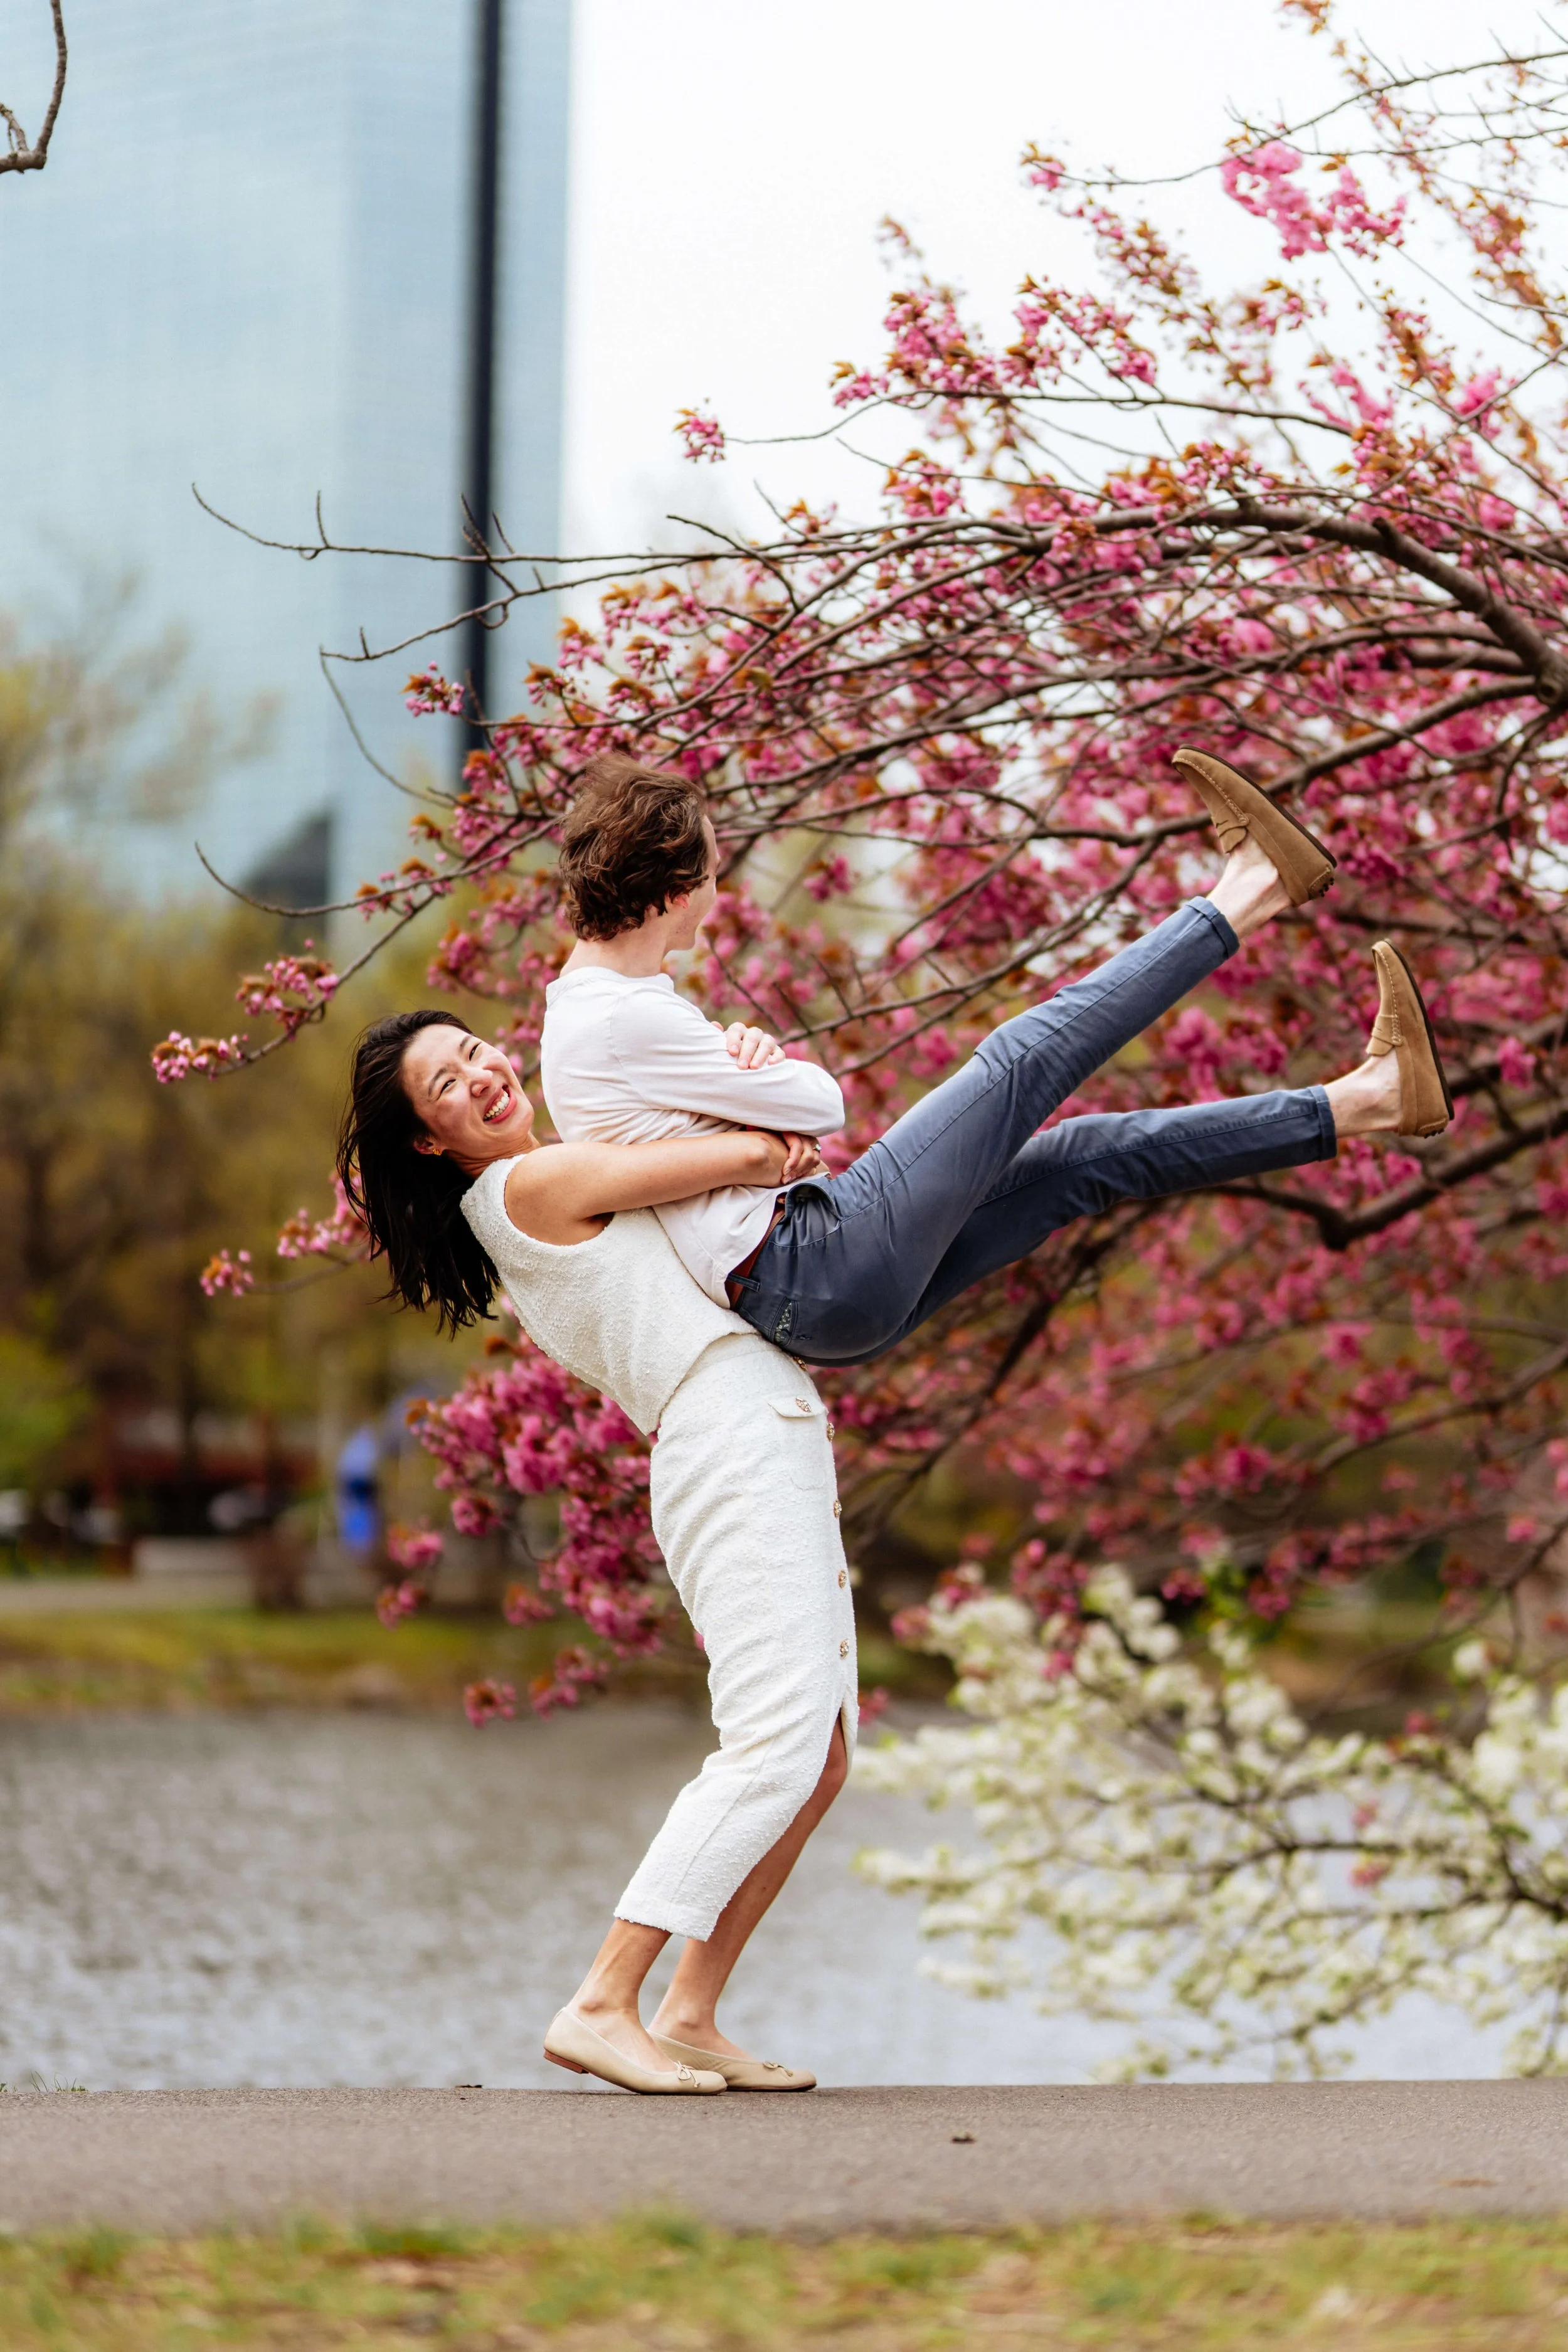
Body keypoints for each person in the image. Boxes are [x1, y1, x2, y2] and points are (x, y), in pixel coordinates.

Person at [339, 750, 1450, 2097]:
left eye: (472, 1052)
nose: (484, 1077)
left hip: (760, 1396)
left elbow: (697, 1148)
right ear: (428, 1144)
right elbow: (756, 1153)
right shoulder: (534, 1186)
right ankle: (602, 1996)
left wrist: (731, 1084)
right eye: (451, 1089)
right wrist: (754, 1127)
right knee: (777, 1741)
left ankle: (1358, 1105)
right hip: (736, 1417)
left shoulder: (531, 1184)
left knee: (819, 1752)